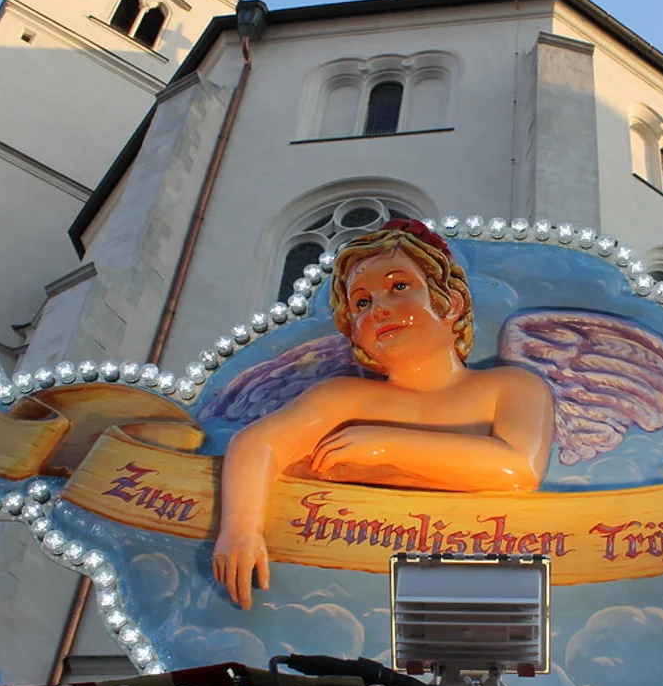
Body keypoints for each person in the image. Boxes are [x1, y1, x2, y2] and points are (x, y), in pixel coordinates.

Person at [211, 220, 555, 609]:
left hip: (480, 581)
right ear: (353, 334)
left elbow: (517, 469)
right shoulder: (343, 398)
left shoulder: (511, 387)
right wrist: (241, 526)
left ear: (451, 303)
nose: (379, 309)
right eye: (362, 302)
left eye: (399, 287)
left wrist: (384, 445)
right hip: (348, 587)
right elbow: (257, 445)